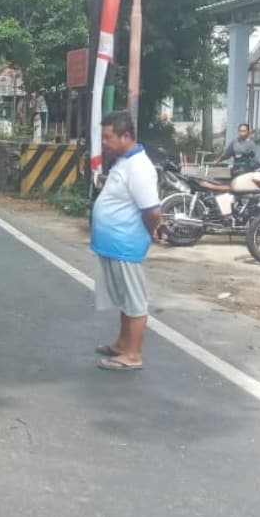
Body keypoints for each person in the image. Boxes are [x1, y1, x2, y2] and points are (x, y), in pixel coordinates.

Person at [91, 111, 164, 372]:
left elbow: (153, 211)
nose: (105, 143)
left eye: (109, 138)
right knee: (124, 298)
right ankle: (122, 345)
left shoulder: (140, 167)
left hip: (126, 243)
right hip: (113, 243)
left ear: (126, 136)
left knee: (134, 300)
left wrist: (151, 230)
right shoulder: (124, 161)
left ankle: (133, 355)